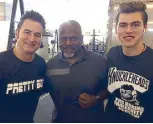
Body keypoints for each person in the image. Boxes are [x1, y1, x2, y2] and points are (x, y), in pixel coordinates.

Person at [46, 20, 107, 122]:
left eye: (73, 38)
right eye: (63, 38)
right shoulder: (50, 65)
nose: (68, 43)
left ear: (82, 39)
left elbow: (111, 89)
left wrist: (97, 98)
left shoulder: (100, 62)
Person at [105, 1, 153, 122]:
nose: (128, 30)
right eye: (123, 25)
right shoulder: (112, 54)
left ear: (144, 28)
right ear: (116, 29)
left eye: (135, 25)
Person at [0, 10, 47, 122]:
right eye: (27, 32)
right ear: (17, 34)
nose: (31, 39)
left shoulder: (41, 64)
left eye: (37, 35)